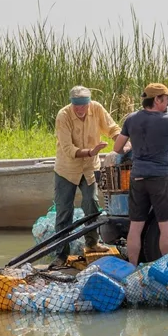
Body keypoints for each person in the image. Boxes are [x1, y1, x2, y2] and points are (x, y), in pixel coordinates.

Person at [114, 82, 168, 266]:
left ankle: (132, 267)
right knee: (165, 226)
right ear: (157, 100)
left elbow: (117, 148)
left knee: (135, 227)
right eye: (166, 99)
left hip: (138, 177)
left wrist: (131, 147)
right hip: (160, 178)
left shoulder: (131, 119)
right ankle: (167, 267)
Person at [51, 86, 124, 269]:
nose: (80, 110)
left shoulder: (97, 108)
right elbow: (68, 149)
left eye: (83, 106)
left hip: (90, 169)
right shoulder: (63, 115)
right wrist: (91, 151)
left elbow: (112, 127)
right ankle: (61, 254)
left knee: (91, 204)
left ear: (89, 103)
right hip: (67, 169)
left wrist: (123, 142)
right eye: (76, 106)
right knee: (63, 212)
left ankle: (92, 243)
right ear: (72, 104)